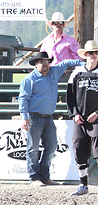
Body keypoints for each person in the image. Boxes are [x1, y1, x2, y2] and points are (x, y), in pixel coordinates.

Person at [18, 52, 82, 187]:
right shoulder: (30, 79)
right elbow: (23, 98)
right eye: (42, 61)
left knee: (52, 146)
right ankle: (35, 178)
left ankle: (45, 177)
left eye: (47, 61)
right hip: (34, 117)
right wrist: (24, 117)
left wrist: (83, 64)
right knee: (33, 148)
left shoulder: (54, 72)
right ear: (36, 64)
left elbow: (66, 63)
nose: (45, 64)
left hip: (48, 117)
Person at [67, 40, 98, 196]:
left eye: (96, 53)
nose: (94, 56)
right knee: (79, 149)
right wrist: (74, 113)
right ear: (85, 55)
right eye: (91, 53)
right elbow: (70, 96)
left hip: (97, 119)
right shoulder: (76, 73)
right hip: (80, 119)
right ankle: (83, 185)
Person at [40, 12, 81, 82]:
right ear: (52, 25)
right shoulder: (47, 41)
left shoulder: (70, 41)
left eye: (61, 23)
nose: (58, 25)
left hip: (65, 74)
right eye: (56, 23)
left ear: (64, 25)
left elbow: (79, 55)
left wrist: (70, 66)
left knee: (64, 92)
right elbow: (41, 56)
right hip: (49, 72)